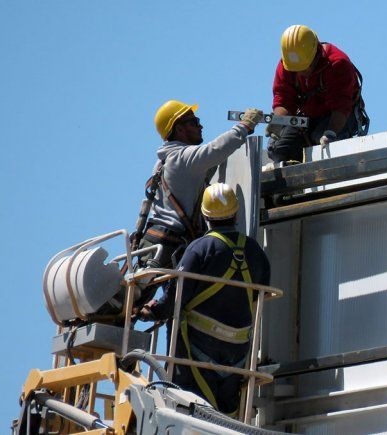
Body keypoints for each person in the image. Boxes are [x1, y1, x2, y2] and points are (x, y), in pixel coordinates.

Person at [138, 183, 271, 415]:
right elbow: (263, 292)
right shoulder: (254, 251)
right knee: (226, 414)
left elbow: (175, 297)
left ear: (204, 215)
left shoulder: (199, 249)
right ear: (236, 213)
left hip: (195, 349)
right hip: (237, 352)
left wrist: (152, 311)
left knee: (194, 410)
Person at [136, 100, 263, 276]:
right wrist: (244, 126)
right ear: (179, 129)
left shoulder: (164, 161)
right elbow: (216, 149)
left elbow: (203, 165)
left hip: (161, 242)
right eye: (194, 122)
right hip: (173, 243)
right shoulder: (182, 158)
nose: (200, 126)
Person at [266, 24, 369, 166]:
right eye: (297, 70)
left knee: (322, 142)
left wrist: (331, 133)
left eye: (305, 67)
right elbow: (284, 99)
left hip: (338, 117)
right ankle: (295, 181)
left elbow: (341, 107)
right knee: (279, 149)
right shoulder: (287, 65)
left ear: (316, 54)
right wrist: (278, 122)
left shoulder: (337, 64)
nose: (302, 73)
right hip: (306, 118)